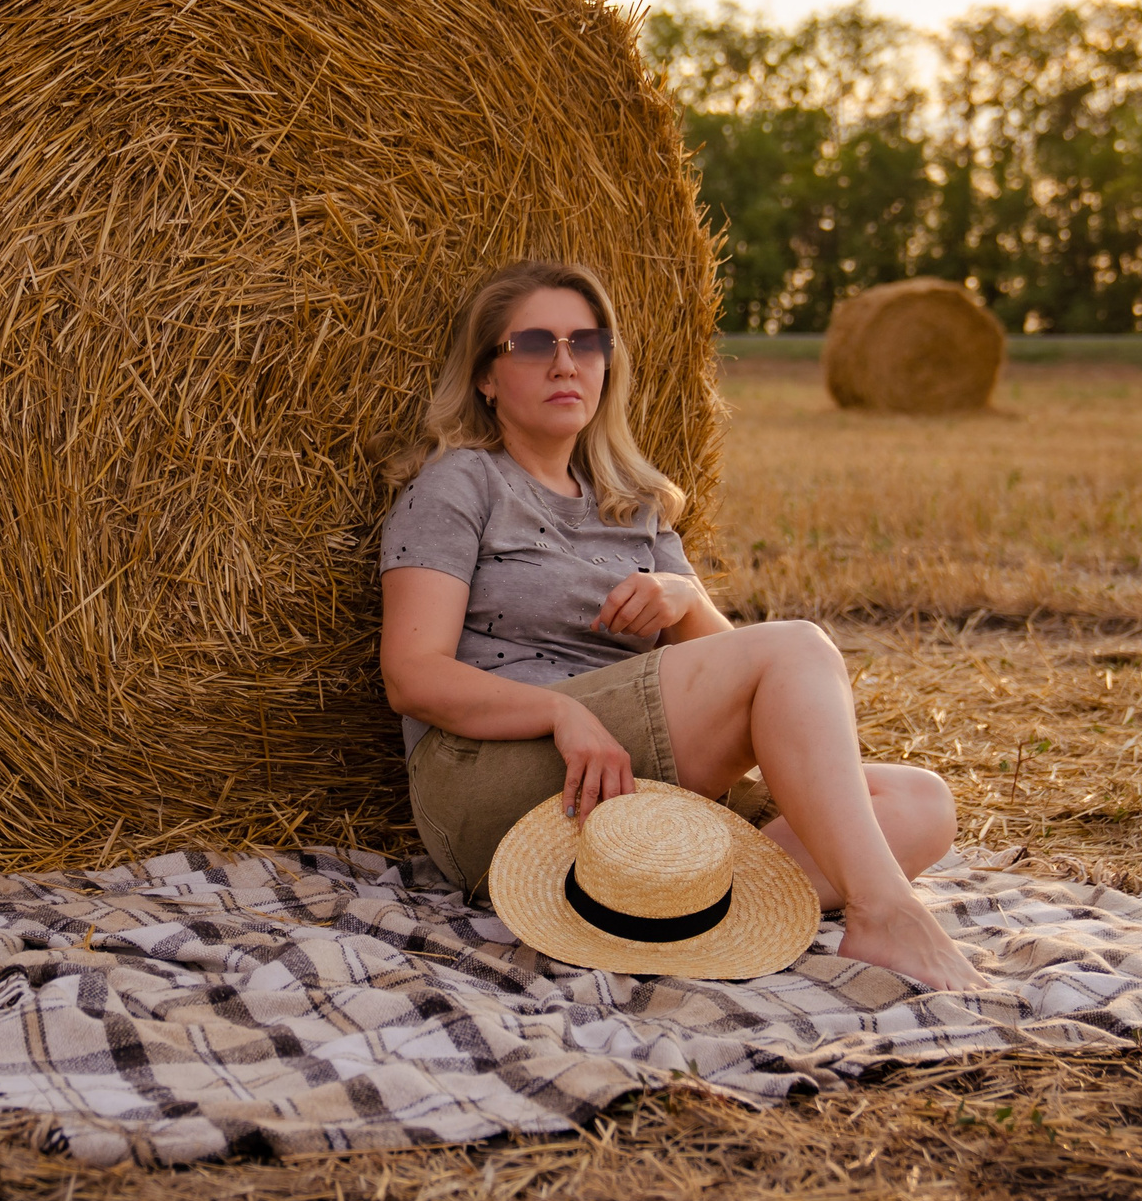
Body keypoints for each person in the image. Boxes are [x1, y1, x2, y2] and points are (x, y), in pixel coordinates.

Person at [378, 259, 985, 993]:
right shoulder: (460, 483)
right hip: (494, 777)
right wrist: (561, 710)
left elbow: (742, 678)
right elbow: (412, 675)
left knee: (922, 804)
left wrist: (681, 598)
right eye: (535, 345)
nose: (566, 362)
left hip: (630, 785)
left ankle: (665, 903)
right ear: (485, 377)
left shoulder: (634, 506)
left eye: (587, 342)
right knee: (798, 646)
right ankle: (885, 914)